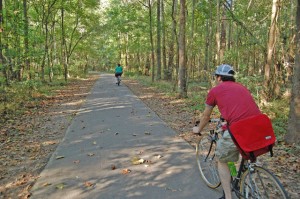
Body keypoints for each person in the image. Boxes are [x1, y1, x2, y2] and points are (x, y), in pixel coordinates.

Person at [193, 64, 261, 199]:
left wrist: (198, 129)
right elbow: (241, 108)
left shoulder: (215, 91)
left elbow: (206, 116)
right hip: (258, 127)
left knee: (223, 159)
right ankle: (245, 182)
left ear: (218, 78)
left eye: (216, 77)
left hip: (239, 128)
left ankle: (228, 196)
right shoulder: (242, 87)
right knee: (243, 156)